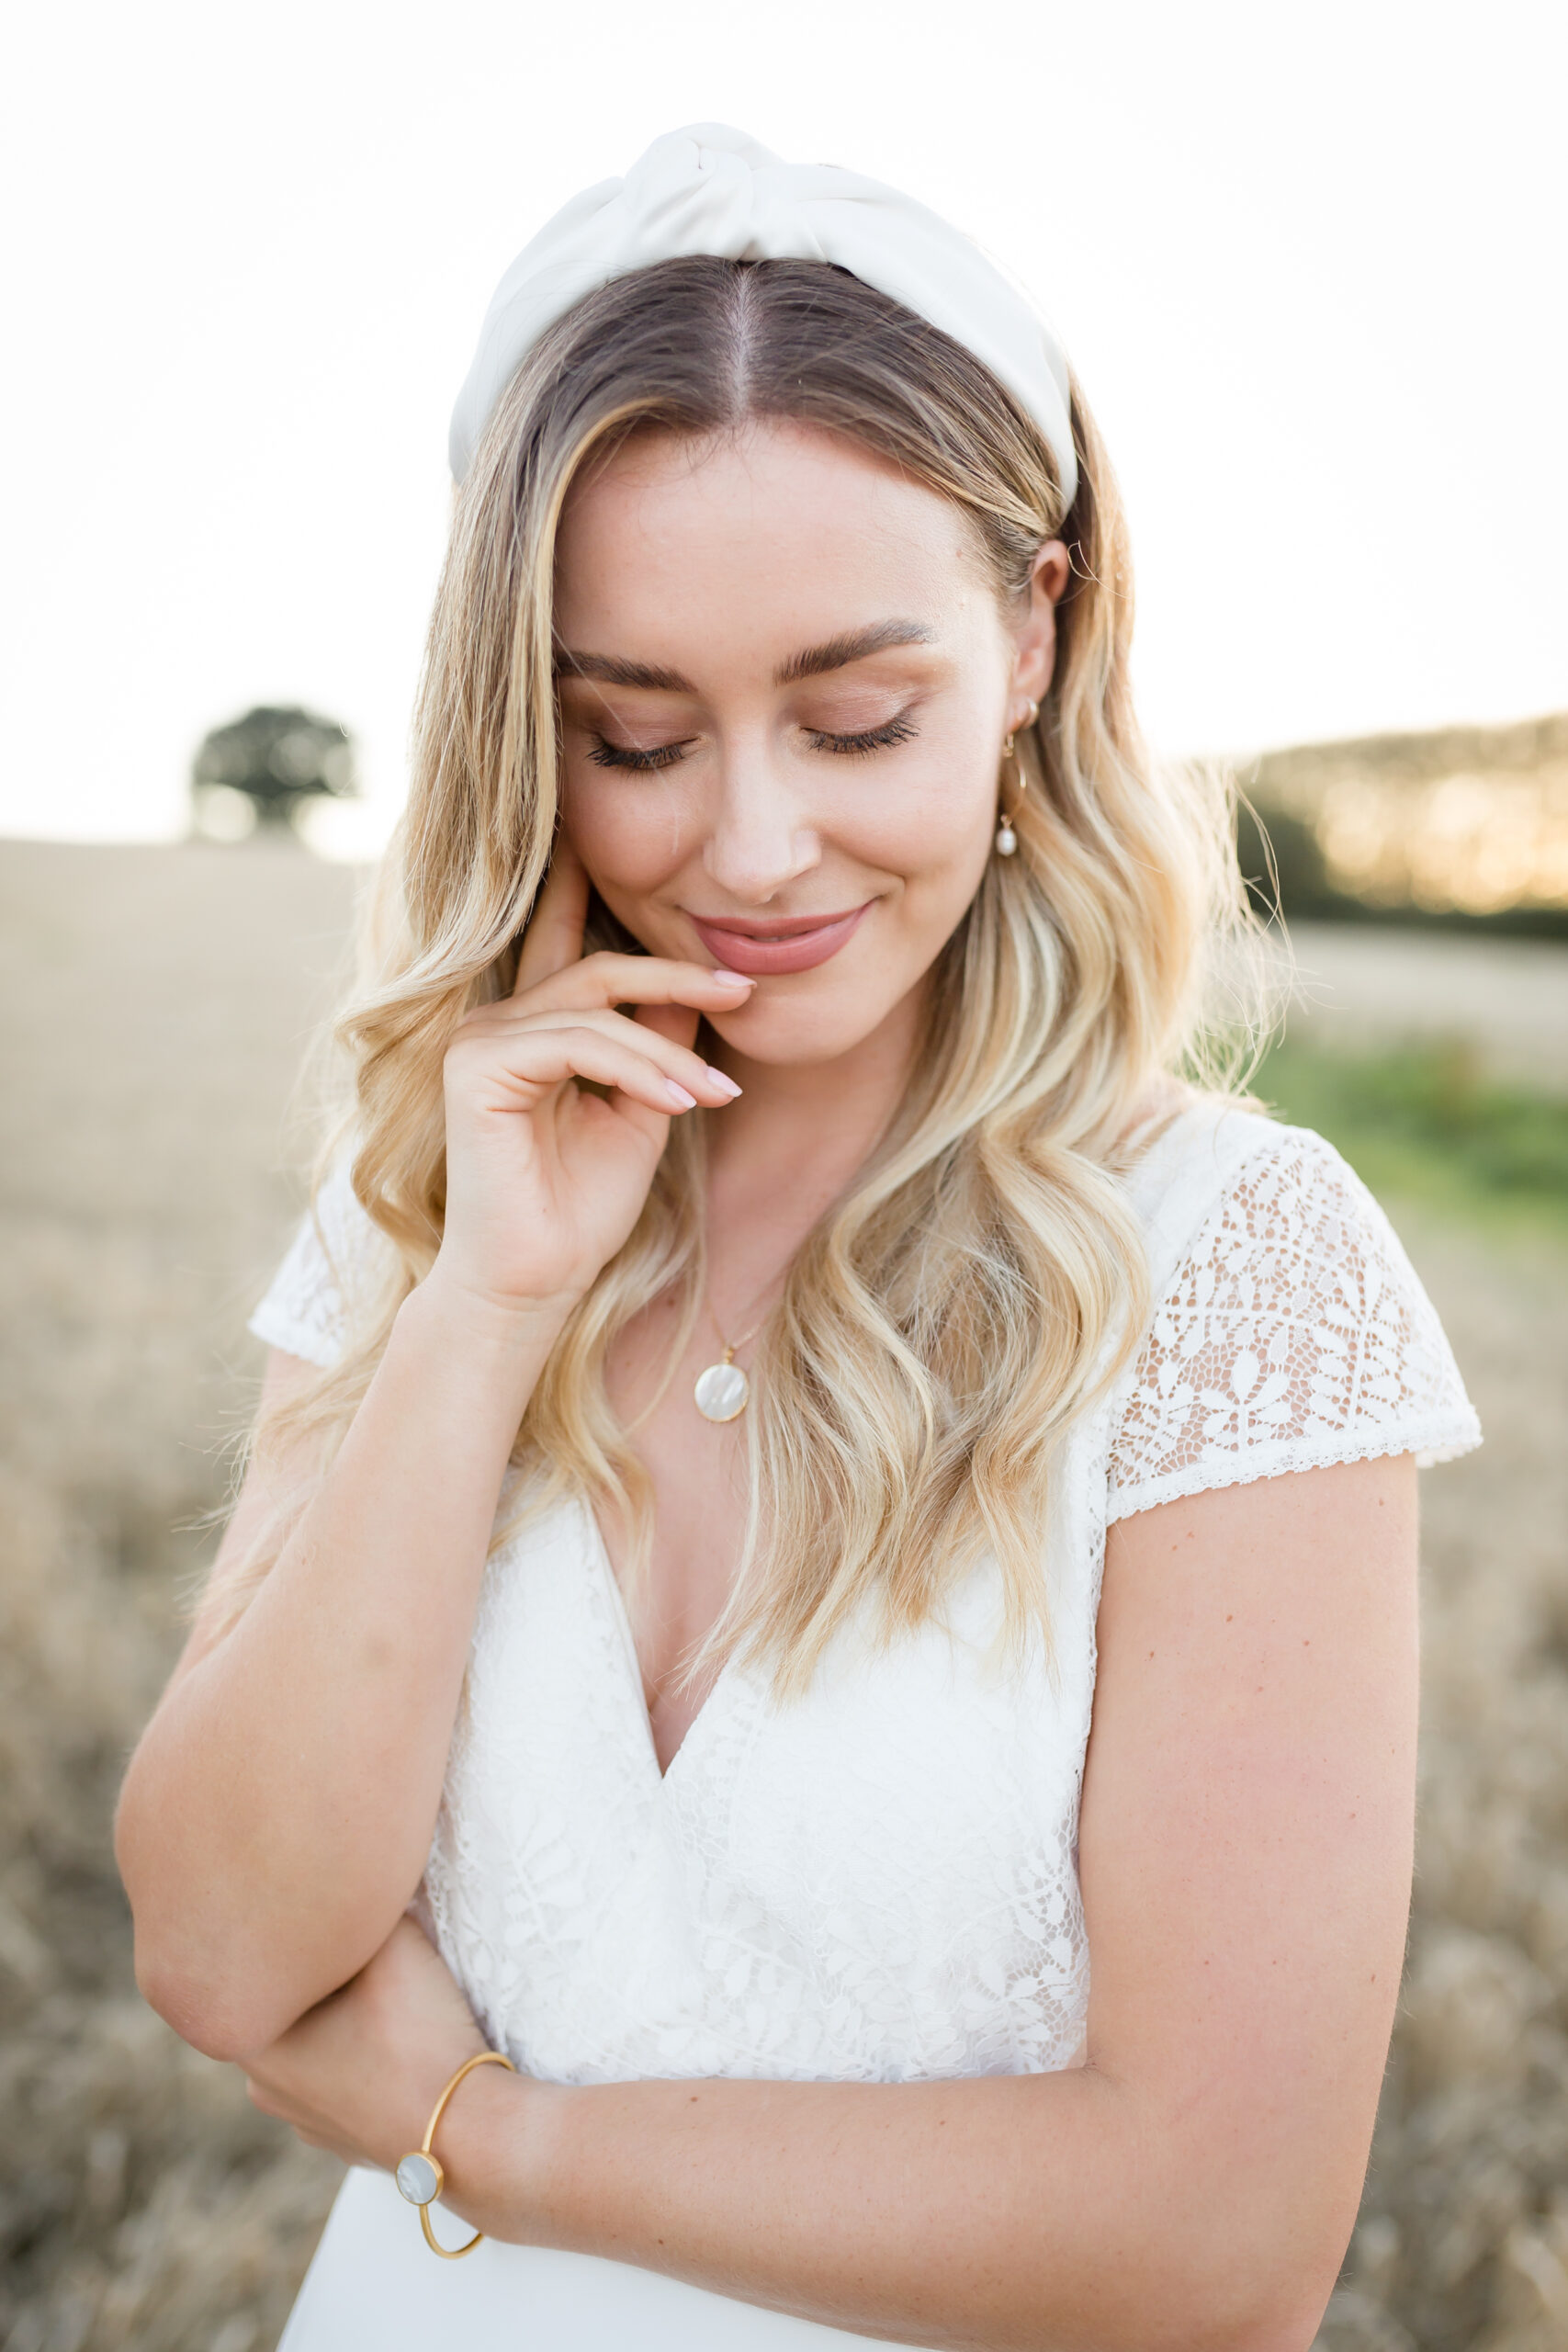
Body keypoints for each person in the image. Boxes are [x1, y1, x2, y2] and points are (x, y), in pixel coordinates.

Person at [115, 126, 1481, 2351]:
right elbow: (218, 1945)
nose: (752, 846)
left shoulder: (1233, 1266)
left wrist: (489, 2130)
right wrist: (481, 1307)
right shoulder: (434, 1215)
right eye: (630, 734)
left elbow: (1215, 2240)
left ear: (1032, 629)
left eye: (859, 716)